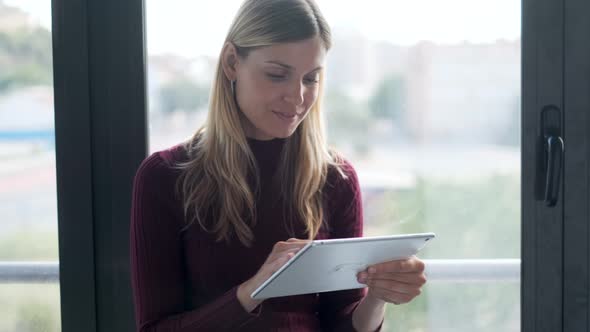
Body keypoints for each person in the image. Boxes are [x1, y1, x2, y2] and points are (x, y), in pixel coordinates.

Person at [130, 0, 427, 331]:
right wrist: (253, 292)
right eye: (276, 75)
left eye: (311, 79)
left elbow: (341, 321)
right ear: (231, 62)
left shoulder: (334, 179)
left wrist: (378, 296)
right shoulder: (165, 177)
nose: (298, 97)